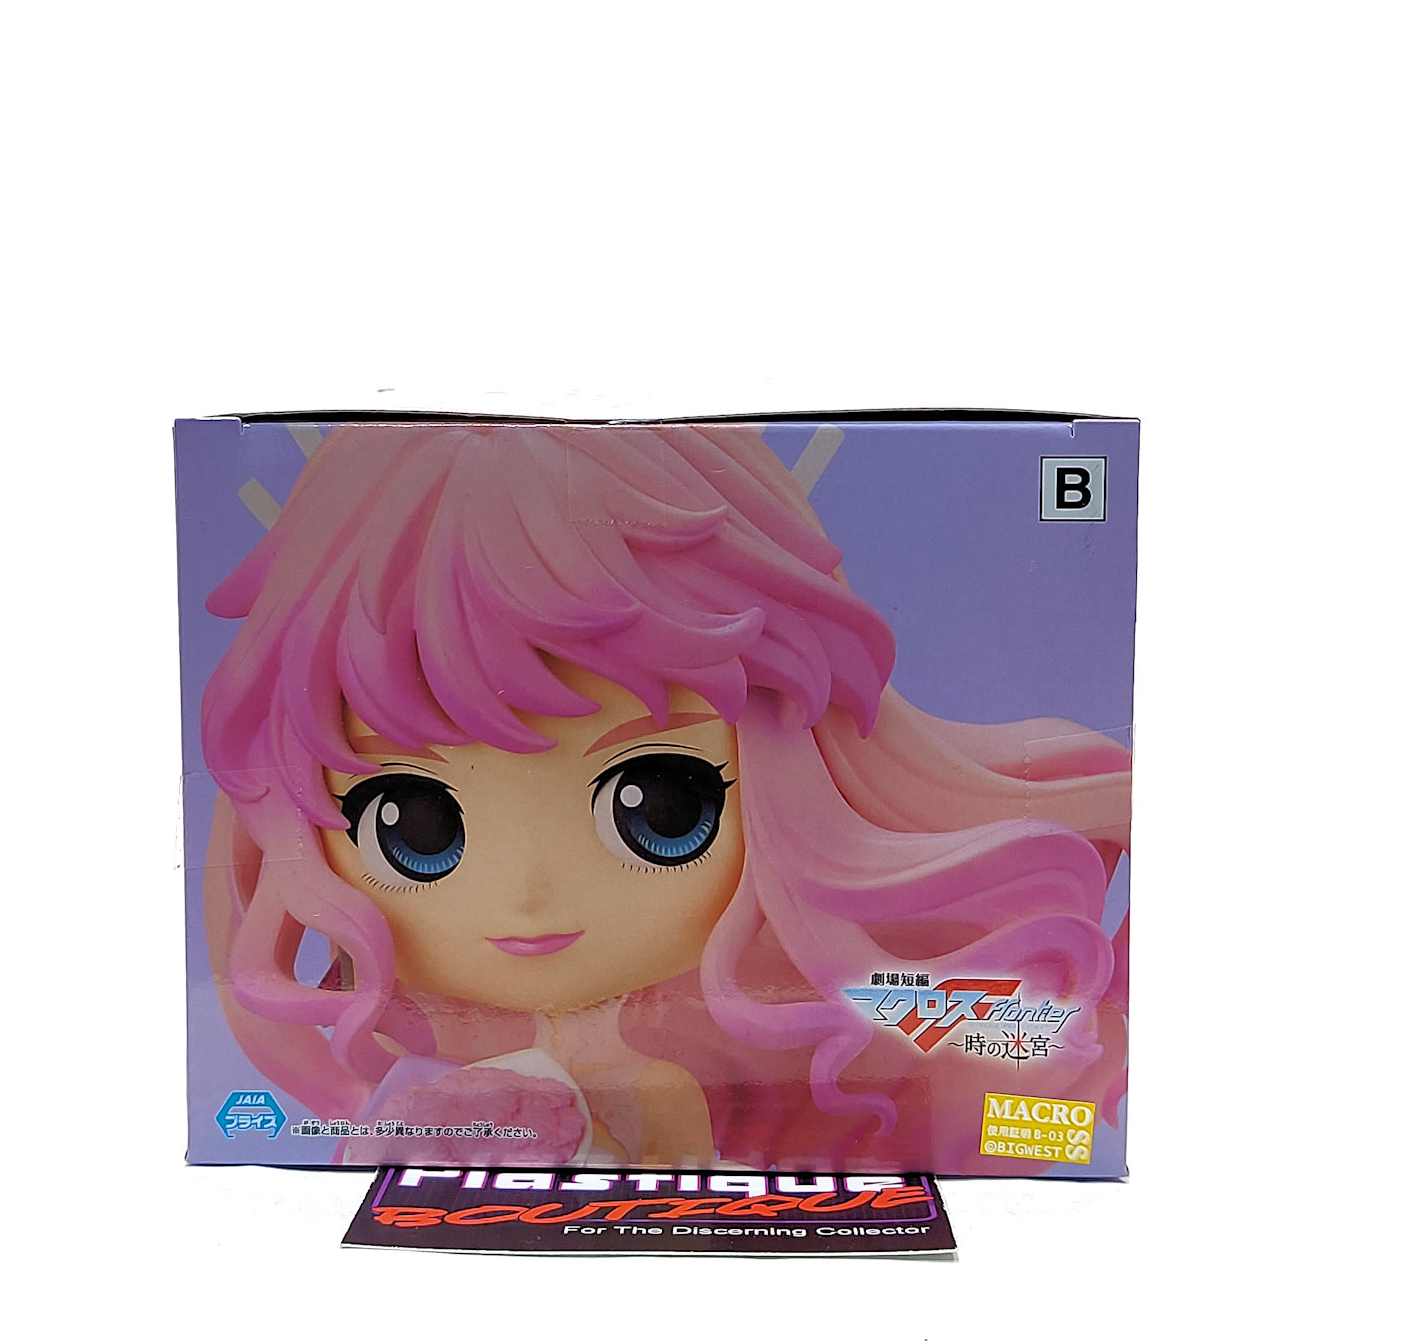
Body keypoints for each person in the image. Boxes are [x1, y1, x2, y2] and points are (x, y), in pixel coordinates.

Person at [202, 422, 1130, 1171]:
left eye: (659, 807)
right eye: (414, 826)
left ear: (790, 777)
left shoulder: (763, 1024)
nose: (529, 897)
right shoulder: (418, 1053)